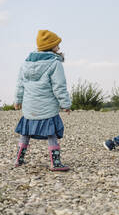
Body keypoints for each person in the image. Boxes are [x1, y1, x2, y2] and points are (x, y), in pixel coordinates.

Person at [13, 30, 71, 171]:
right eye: (57, 44)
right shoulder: (55, 64)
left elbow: (20, 84)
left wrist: (17, 100)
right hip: (47, 107)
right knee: (51, 133)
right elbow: (59, 86)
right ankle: (55, 163)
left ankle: (18, 160)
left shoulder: (26, 63)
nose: (58, 47)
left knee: (25, 133)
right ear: (51, 46)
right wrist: (65, 103)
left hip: (29, 107)